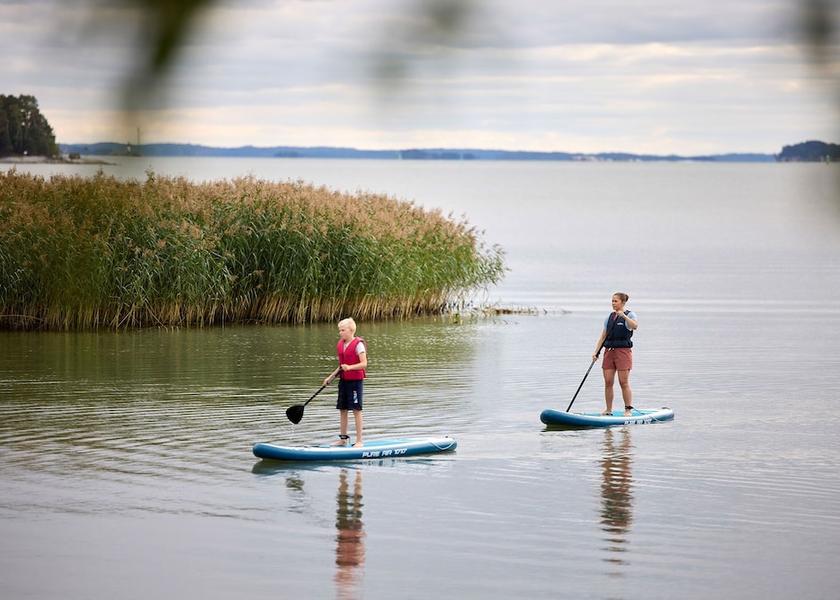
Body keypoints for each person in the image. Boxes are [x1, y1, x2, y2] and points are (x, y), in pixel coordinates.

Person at [592, 292, 638, 417]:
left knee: (623, 382)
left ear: (623, 302)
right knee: (608, 382)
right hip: (609, 352)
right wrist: (596, 352)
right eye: (612, 301)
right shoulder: (609, 317)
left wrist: (624, 317)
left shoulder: (630, 314)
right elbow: (603, 336)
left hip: (623, 352)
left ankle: (628, 410)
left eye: (616, 301)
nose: (613, 303)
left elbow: (635, 326)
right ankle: (608, 410)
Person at [324, 317, 367, 447]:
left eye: (343, 330)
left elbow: (364, 364)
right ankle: (343, 439)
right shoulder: (341, 344)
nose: (340, 332)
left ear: (351, 330)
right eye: (340, 330)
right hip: (343, 381)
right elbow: (341, 366)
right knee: (342, 409)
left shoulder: (358, 345)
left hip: (355, 382)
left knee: (356, 410)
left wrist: (350, 367)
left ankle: (359, 441)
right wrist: (330, 377)